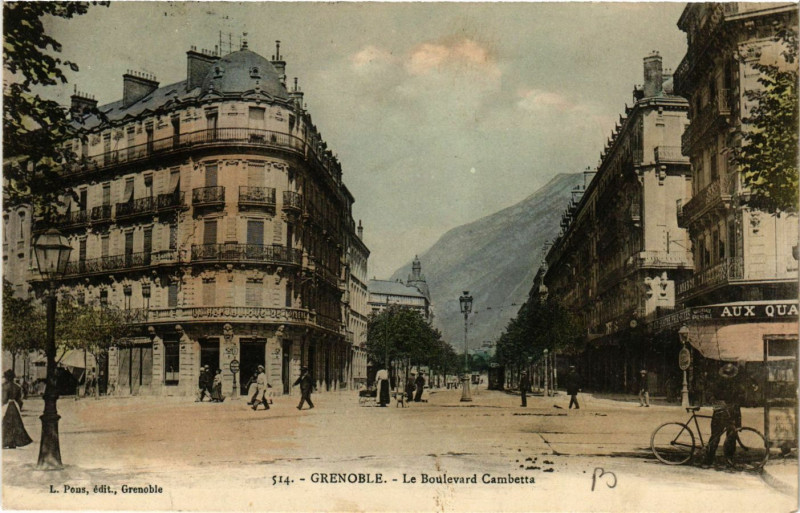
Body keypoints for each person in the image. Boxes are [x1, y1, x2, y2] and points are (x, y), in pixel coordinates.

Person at [703, 362, 756, 466]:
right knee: (715, 436)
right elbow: (709, 393)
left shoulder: (737, 384)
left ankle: (729, 459)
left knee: (731, 436)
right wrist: (715, 401)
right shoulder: (718, 382)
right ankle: (709, 459)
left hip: (732, 412)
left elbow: (742, 397)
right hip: (720, 412)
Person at [3, 370, 32, 449]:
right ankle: (13, 442)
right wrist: (19, 407)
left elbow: (3, 399)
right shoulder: (17, 386)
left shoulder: (4, 386)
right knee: (15, 424)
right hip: (14, 406)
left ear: (6, 377)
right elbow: (19, 400)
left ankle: (4, 441)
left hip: (6, 406)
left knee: (5, 423)